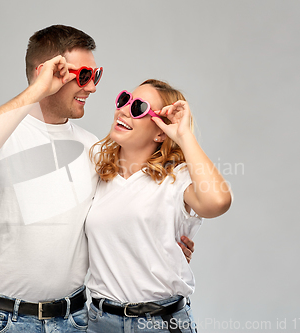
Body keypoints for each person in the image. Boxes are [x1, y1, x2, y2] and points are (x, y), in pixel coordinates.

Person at [0, 25, 195, 333]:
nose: (92, 88)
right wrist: (36, 91)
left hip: (77, 319)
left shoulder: (92, 149)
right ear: (46, 74)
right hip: (5, 320)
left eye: (96, 76)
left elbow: (123, 211)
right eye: (83, 76)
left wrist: (163, 245)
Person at [85, 80, 232, 333]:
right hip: (99, 321)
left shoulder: (176, 178)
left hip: (159, 323)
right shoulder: (96, 169)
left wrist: (184, 136)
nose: (124, 110)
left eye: (139, 108)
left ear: (160, 132)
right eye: (124, 100)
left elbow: (218, 202)